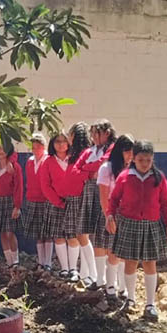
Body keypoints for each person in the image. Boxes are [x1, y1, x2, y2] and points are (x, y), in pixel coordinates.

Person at [106, 140, 167, 321]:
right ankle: (130, 299)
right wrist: (110, 216)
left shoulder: (159, 178)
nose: (145, 164)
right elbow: (114, 199)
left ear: (153, 160)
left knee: (149, 264)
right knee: (130, 262)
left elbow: (165, 202)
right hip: (129, 224)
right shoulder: (125, 177)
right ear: (133, 159)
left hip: (151, 224)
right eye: (141, 160)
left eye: (148, 160)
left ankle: (150, 304)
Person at [40, 130, 87, 282]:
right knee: (59, 237)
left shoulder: (75, 160)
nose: (61, 145)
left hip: (74, 202)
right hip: (56, 203)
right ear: (52, 144)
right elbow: (45, 185)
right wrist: (58, 202)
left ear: (69, 143)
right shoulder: (47, 162)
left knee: (73, 236)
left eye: (64, 141)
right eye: (57, 142)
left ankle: (73, 269)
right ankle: (64, 268)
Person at [79, 120, 116, 291]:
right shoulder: (91, 150)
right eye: (92, 133)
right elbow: (77, 169)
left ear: (107, 133)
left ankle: (113, 281)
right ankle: (99, 278)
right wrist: (89, 171)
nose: (93, 137)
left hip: (105, 192)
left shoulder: (113, 148)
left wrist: (89, 169)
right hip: (90, 191)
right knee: (96, 236)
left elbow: (103, 162)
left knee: (106, 235)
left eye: (97, 133)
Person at [99, 134, 135, 298]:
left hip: (128, 214)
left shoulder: (132, 170)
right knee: (113, 253)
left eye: (132, 152)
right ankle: (110, 286)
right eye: (127, 151)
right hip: (113, 214)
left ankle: (122, 287)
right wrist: (109, 217)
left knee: (125, 254)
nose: (130, 156)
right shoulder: (106, 168)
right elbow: (103, 196)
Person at [64, 122, 96, 285]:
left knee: (83, 236)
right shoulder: (75, 154)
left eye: (70, 135)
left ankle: (92, 273)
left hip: (81, 197)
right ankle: (85, 273)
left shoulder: (85, 154)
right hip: (74, 197)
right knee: (81, 237)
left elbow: (88, 174)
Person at [22, 133, 54, 270]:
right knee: (38, 234)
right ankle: (41, 261)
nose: (36, 150)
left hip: (46, 200)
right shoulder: (30, 161)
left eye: (38, 147)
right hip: (33, 199)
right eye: (33, 147)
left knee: (47, 233)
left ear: (44, 146)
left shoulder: (48, 160)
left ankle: (48, 262)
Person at [0, 141, 24, 268]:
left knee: (10, 232)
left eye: (4, 148)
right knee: (2, 233)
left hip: (9, 202)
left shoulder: (15, 166)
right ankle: (9, 262)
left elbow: (19, 187)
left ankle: (15, 261)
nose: (1, 151)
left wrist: (17, 206)